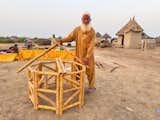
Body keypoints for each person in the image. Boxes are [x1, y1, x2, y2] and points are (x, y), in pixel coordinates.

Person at [59, 12, 96, 90]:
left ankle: (91, 86)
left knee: (90, 71)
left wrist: (87, 57)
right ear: (81, 20)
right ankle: (77, 86)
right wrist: (62, 40)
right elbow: (70, 37)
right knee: (77, 71)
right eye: (84, 19)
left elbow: (91, 45)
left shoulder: (92, 31)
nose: (86, 21)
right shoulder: (77, 29)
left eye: (87, 19)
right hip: (78, 55)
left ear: (90, 20)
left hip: (88, 57)